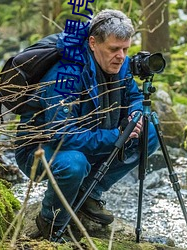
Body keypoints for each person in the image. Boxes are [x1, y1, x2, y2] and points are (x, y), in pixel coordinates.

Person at [15, 9, 159, 241]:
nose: (121, 56)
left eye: (126, 49)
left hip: (91, 136)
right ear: (93, 43)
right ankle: (50, 221)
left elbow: (133, 96)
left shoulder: (120, 64)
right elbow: (61, 135)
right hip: (41, 150)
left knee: (149, 132)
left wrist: (135, 114)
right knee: (74, 164)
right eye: (114, 49)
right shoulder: (65, 75)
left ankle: (89, 193)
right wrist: (116, 135)